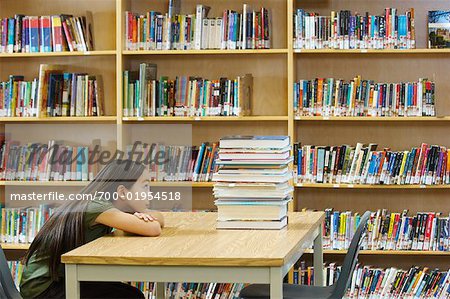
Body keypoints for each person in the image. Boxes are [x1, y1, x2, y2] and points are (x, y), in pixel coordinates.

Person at [20, 159, 165, 299]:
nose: (150, 193)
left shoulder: (108, 206)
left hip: (57, 280)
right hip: (44, 288)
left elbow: (160, 218)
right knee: (131, 296)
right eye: (145, 186)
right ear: (122, 192)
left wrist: (142, 215)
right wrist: (144, 216)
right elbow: (153, 228)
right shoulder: (98, 206)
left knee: (130, 293)